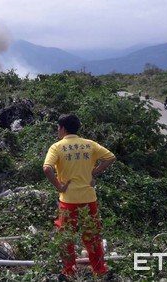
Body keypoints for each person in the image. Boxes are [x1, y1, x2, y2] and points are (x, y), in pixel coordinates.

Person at [43, 113, 116, 277]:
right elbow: (111, 157)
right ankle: (99, 270)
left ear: (62, 128)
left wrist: (59, 187)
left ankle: (69, 271)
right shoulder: (89, 144)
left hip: (68, 200)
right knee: (92, 235)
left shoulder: (57, 147)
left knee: (66, 236)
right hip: (89, 199)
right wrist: (94, 172)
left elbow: (47, 168)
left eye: (58, 128)